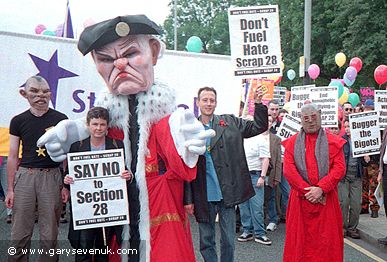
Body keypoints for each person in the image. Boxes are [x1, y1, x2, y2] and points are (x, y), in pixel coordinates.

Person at [37, 15, 212, 262]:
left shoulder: (167, 118)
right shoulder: (105, 117)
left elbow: (175, 150)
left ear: (153, 51)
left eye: (130, 53)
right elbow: (96, 132)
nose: (119, 65)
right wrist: (74, 137)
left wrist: (185, 147)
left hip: (160, 207)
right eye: (106, 59)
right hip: (118, 210)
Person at [184, 86, 268, 262]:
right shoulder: (190, 129)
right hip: (203, 194)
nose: (208, 103)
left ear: (216, 103)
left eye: (212, 100)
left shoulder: (230, 122)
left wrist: (258, 104)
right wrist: (188, 199)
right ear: (198, 102)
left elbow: (259, 126)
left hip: (227, 192)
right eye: (205, 100)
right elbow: (186, 168)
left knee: (229, 239)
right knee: (206, 240)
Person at [5, 75, 68, 261]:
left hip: (52, 177)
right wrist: (10, 189)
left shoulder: (61, 119)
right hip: (25, 177)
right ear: (24, 94)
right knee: (19, 234)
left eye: (45, 91)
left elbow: (66, 155)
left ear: (50, 93)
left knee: (50, 236)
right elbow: (12, 156)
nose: (41, 95)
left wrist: (66, 185)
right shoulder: (18, 120)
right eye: (35, 91)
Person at [63, 107, 132, 261]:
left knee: (103, 249)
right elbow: (69, 175)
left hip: (108, 208)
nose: (98, 128)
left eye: (102, 124)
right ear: (88, 125)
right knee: (83, 248)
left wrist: (127, 176)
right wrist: (66, 181)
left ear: (107, 126)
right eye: (95, 124)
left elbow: (124, 171)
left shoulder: (117, 145)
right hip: (85, 208)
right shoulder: (77, 147)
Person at [281, 103, 346, 262]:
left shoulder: (333, 141)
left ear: (320, 115)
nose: (310, 121)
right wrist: (309, 191)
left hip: (326, 202)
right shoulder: (292, 143)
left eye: (313, 117)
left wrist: (321, 189)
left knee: (326, 244)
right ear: (300, 120)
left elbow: (339, 169)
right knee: (300, 245)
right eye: (306, 118)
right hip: (300, 203)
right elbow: (289, 171)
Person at [237, 114, 271, 245]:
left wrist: (262, 176)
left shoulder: (260, 138)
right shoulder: (239, 138)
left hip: (256, 175)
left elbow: (266, 158)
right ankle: (247, 231)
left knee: (256, 206)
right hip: (241, 175)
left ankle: (260, 233)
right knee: (243, 206)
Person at [339, 120, 366, 239]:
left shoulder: (362, 140)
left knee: (356, 204)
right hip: (343, 177)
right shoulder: (341, 140)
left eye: (349, 126)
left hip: (356, 176)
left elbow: (367, 163)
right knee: (344, 203)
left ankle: (352, 228)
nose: (347, 129)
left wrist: (367, 158)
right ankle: (342, 228)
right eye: (345, 127)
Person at [377, 126, 387, 245]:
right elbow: (382, 152)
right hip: (385, 170)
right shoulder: (386, 130)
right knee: (386, 203)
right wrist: (380, 171)